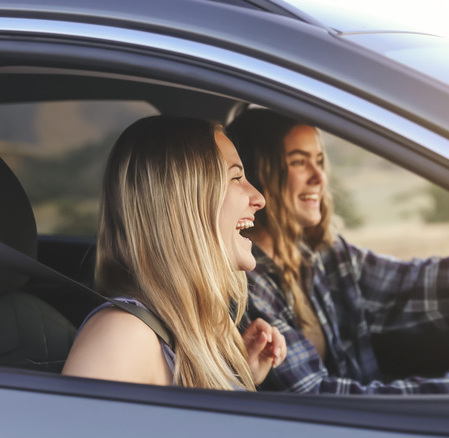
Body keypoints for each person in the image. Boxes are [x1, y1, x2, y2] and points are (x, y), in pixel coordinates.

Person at [226, 108, 449, 394]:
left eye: (320, 161)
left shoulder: (323, 255)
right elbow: (318, 398)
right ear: (260, 172)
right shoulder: (248, 285)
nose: (319, 177)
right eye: (298, 162)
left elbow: (420, 283)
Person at [62, 116, 286, 390]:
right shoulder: (122, 337)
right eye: (236, 177)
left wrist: (240, 381)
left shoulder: (204, 328)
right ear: (182, 205)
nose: (259, 198)